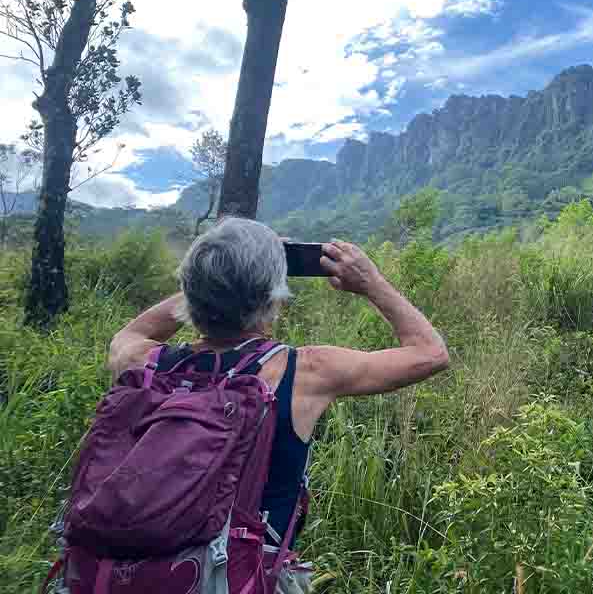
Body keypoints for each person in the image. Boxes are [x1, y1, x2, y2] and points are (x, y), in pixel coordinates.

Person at [106, 217, 449, 555]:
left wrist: (211, 279)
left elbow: (127, 336)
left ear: (189, 290)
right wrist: (372, 282)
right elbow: (430, 352)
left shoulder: (146, 363)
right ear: (274, 299)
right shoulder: (302, 372)